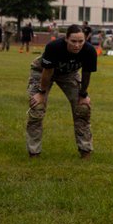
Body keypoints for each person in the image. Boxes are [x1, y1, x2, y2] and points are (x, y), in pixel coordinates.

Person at [26, 24, 96, 158]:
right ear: (66, 39)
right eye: (73, 41)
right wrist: (41, 93)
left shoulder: (89, 51)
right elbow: (47, 72)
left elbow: (86, 74)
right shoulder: (54, 47)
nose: (77, 45)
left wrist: (83, 94)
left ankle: (85, 150)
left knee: (83, 108)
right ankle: (34, 152)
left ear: (85, 39)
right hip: (42, 72)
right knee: (37, 107)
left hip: (69, 74)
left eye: (80, 41)